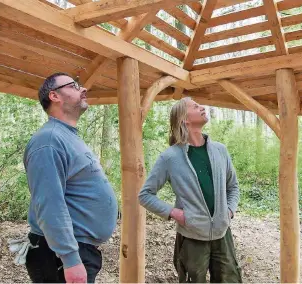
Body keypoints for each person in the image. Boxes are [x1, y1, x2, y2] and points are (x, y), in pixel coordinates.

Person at [23, 73, 118, 283]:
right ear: (54, 96)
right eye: (74, 86)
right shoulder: (49, 140)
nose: (83, 89)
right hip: (57, 254)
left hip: (76, 249)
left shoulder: (67, 136)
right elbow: (49, 204)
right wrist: (70, 258)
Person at [139, 97, 242, 283]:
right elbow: (145, 195)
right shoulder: (170, 157)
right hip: (191, 237)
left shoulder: (221, 150)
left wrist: (229, 211)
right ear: (184, 119)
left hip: (222, 234)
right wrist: (175, 213)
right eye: (195, 106)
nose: (202, 107)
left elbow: (233, 186)